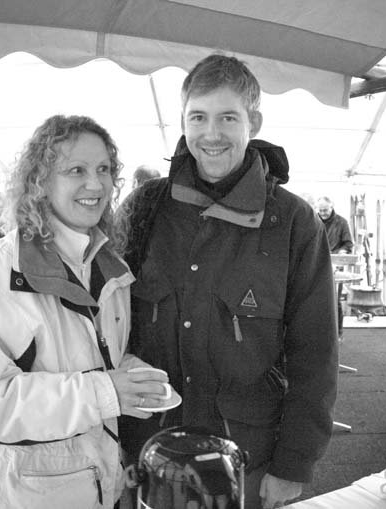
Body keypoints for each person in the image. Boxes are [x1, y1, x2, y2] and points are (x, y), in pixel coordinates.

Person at [117, 54, 338, 509]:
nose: (211, 133)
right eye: (198, 117)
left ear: (253, 122)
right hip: (148, 449)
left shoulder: (294, 222)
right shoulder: (144, 208)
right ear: (182, 122)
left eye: (227, 118)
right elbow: (104, 326)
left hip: (247, 459)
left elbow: (315, 354)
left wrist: (293, 464)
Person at [0, 115, 166, 508]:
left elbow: (95, 356)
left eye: (104, 169)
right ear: (41, 182)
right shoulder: (2, 268)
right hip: (31, 491)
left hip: (100, 478)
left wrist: (130, 375)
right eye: (76, 170)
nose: (95, 184)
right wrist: (104, 392)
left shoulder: (110, 266)